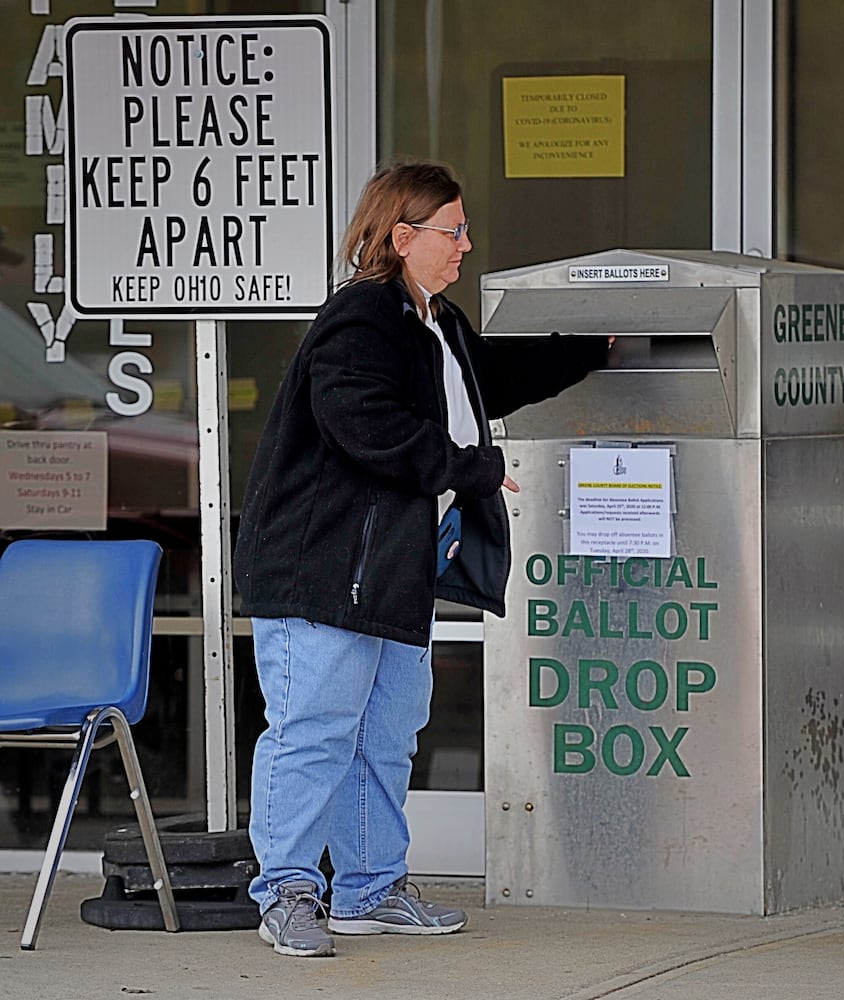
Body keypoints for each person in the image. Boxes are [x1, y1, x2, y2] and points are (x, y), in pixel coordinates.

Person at [233, 159, 610, 958]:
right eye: (454, 230)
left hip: (390, 568)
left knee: (385, 733)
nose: (466, 244)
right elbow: (361, 422)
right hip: (324, 569)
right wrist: (467, 467)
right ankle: (287, 892)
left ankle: (368, 890)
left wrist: (591, 347)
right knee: (312, 731)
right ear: (403, 237)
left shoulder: (433, 320)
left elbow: (493, 378)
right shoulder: (360, 319)